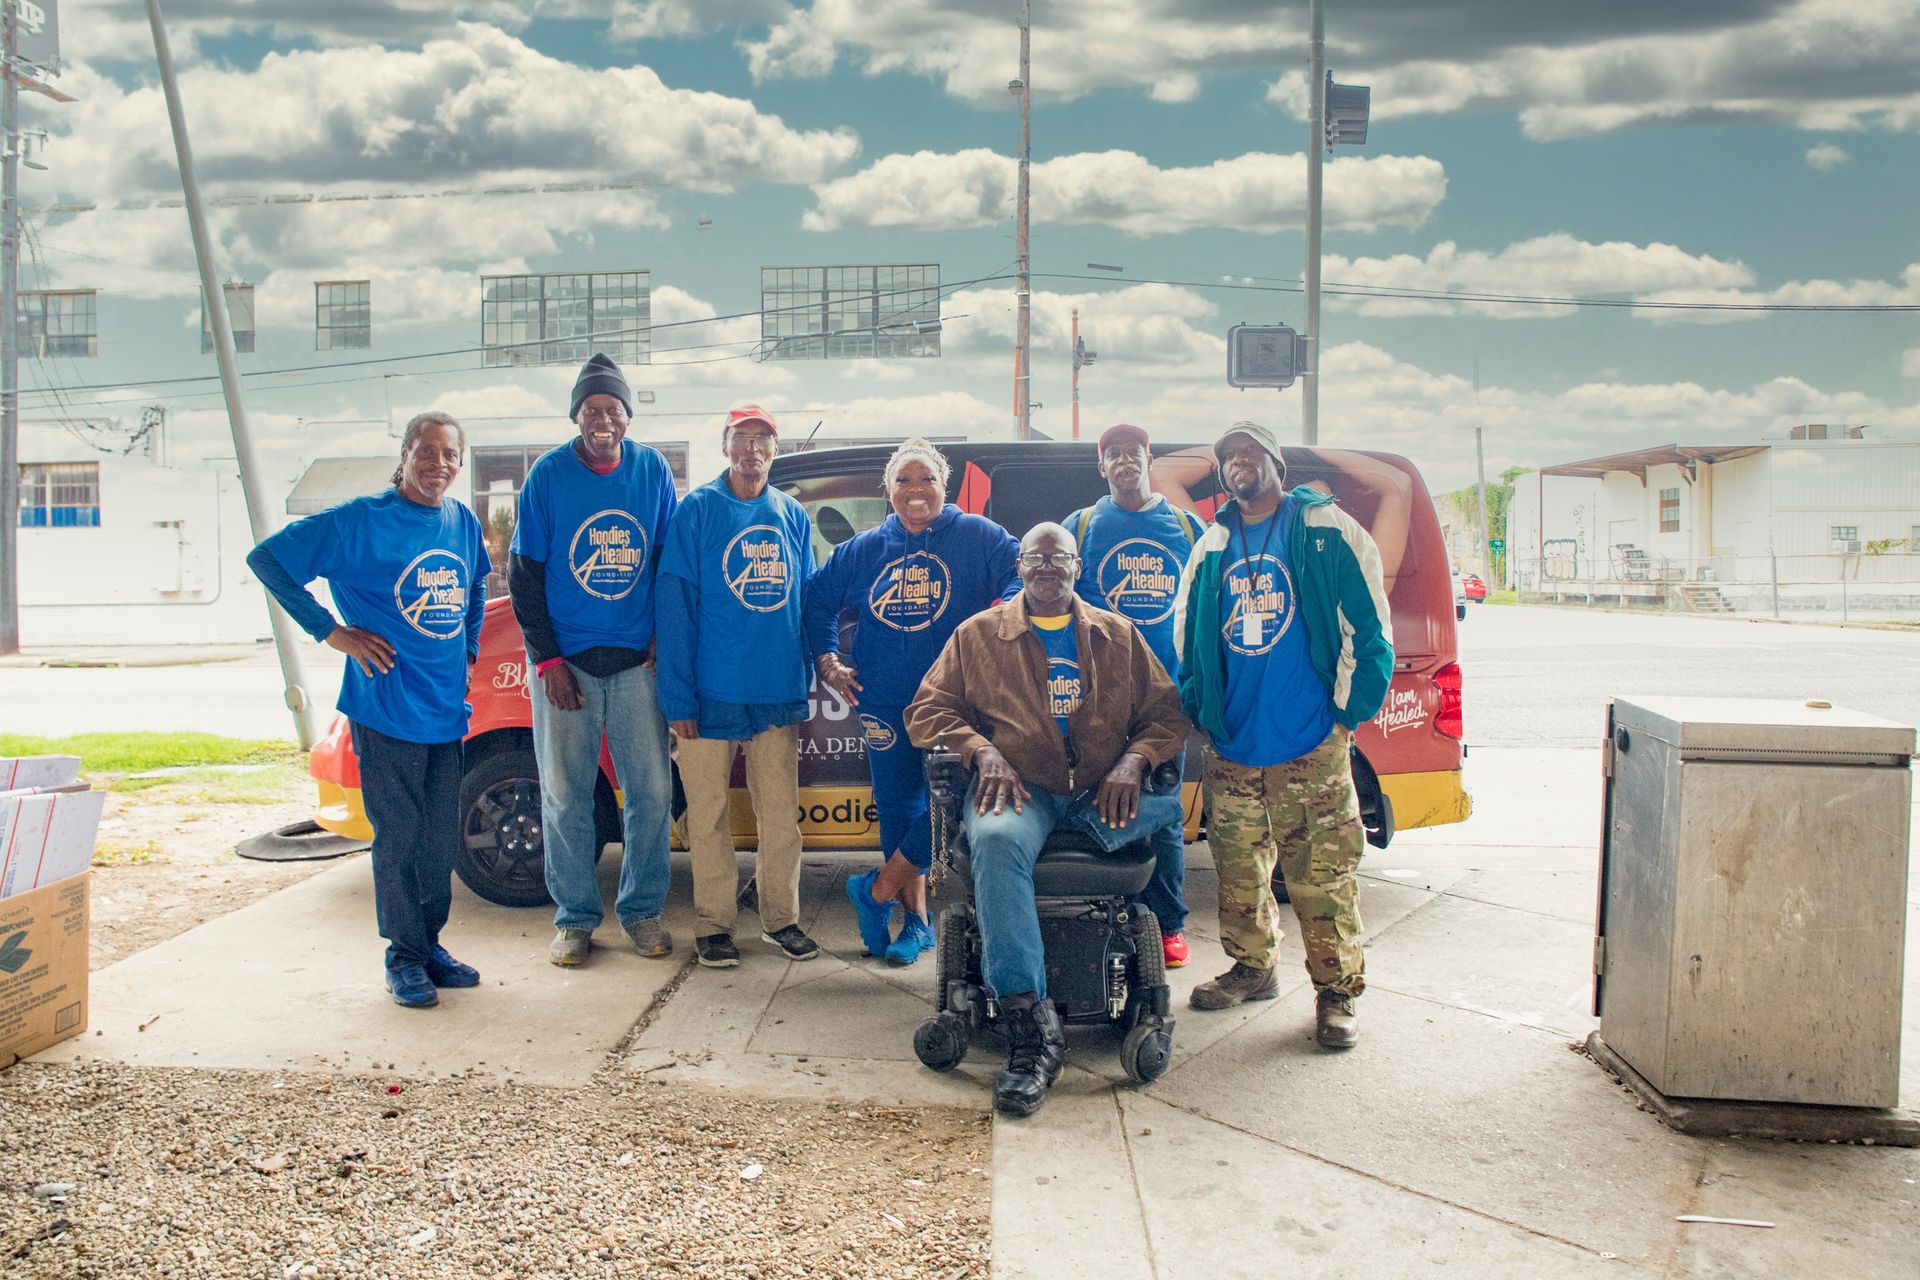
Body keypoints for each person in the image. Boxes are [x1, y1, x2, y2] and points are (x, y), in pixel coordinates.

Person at [906, 523, 1190, 1117]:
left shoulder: (1118, 636)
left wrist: (1136, 761)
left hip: (1097, 791)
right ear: (1019, 564)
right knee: (998, 839)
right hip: (1021, 785)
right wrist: (981, 751)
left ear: (1077, 566)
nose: (1046, 569)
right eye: (1035, 559)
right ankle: (1030, 1031)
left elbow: (1167, 713)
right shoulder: (978, 636)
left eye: (1058, 558)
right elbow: (927, 709)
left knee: (1164, 804)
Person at [246, 412, 488, 1009]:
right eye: (426, 452)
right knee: (399, 840)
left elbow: (477, 583)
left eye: (449, 455)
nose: (438, 465)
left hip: (444, 710)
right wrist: (331, 632)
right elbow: (268, 561)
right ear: (405, 455)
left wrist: (472, 646)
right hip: (384, 710)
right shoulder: (359, 522)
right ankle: (402, 958)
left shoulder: (460, 521)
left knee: (437, 842)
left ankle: (430, 946)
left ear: (460, 462)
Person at [1172, 422, 1393, 1049]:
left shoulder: (1326, 530)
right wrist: (1204, 711)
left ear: (1277, 465)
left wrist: (1345, 717)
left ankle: (1337, 994)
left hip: (1309, 740)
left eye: (1250, 453)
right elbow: (1188, 638)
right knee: (1240, 870)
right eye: (1228, 459)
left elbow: (1369, 631)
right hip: (1234, 743)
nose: (1239, 464)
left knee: (1321, 876)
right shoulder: (1213, 542)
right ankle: (1253, 968)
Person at [804, 439, 1020, 966]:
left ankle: (875, 891)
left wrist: (1004, 613)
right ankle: (915, 923)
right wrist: (828, 661)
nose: (915, 491)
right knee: (900, 809)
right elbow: (817, 602)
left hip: (957, 702)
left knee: (949, 807)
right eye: (904, 481)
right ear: (888, 489)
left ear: (944, 486)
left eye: (926, 480)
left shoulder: (977, 535)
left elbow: (1020, 576)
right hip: (881, 699)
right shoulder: (862, 549)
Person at [509, 353, 680, 968]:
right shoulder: (548, 477)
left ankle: (641, 911)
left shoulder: (652, 470)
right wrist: (548, 660)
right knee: (564, 795)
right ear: (576, 418)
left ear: (627, 419)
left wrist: (665, 634)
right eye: (590, 411)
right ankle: (576, 919)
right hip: (569, 667)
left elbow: (666, 559)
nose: (602, 421)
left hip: (637, 664)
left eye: (613, 410)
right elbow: (524, 574)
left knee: (652, 793)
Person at [657, 405, 821, 968]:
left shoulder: (791, 515)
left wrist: (805, 676)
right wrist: (677, 697)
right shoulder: (697, 511)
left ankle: (781, 918)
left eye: (764, 440)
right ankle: (714, 924)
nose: (753, 450)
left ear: (776, 449)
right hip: (707, 694)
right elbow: (674, 607)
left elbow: (806, 604)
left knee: (781, 814)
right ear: (726, 445)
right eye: (743, 439)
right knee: (707, 814)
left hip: (774, 690)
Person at [1061, 423, 1204, 968]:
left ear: (1150, 461)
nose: (1124, 461)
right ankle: (1108, 918)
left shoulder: (1188, 529)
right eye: (1113, 454)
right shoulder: (1083, 526)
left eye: (1134, 453)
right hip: (1100, 700)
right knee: (1100, 801)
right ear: (1102, 466)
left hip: (1165, 701)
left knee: (1163, 812)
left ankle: (1168, 926)